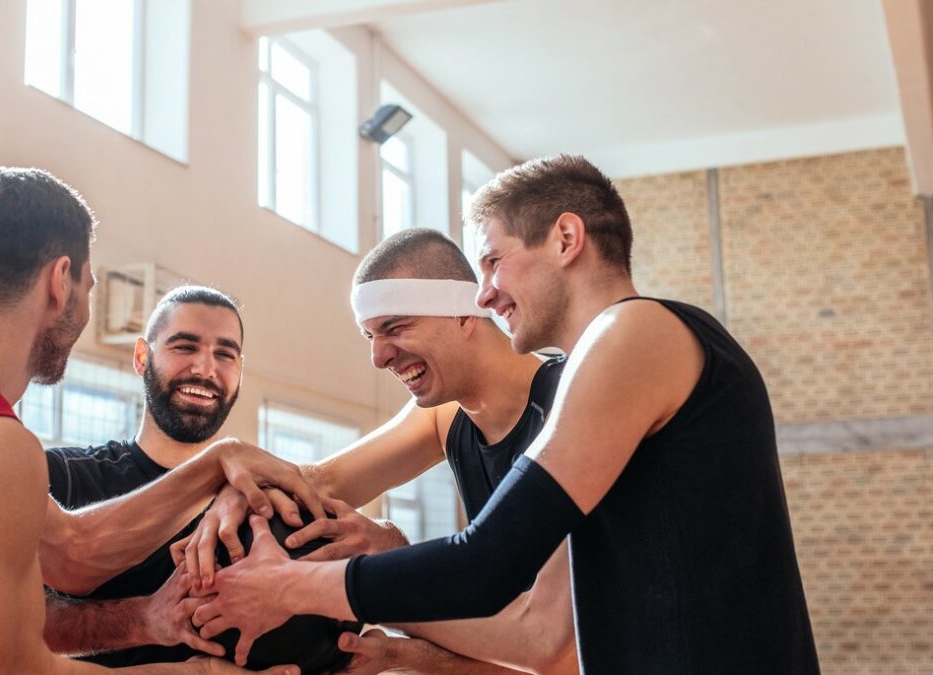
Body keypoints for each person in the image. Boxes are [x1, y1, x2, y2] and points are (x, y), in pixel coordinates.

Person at [190, 154, 821, 674]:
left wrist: (285, 587)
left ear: (566, 239)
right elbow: (323, 483)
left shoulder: (637, 331)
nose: (486, 291)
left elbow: (494, 573)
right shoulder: (595, 365)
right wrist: (234, 486)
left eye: (493, 261)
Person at [0, 166, 313, 675]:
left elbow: (71, 553)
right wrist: (198, 673)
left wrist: (217, 461)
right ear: (60, 281)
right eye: (89, 286)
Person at [181, 229, 578, 673]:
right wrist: (242, 490)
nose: (378, 357)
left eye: (395, 327)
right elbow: (322, 481)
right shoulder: (446, 416)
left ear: (465, 315)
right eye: (369, 335)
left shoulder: (575, 406)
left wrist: (338, 580)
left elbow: (556, 650)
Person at [43, 285, 297, 665]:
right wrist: (141, 617)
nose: (205, 369)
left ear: (239, 371)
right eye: (185, 347)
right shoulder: (62, 479)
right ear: (143, 357)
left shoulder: (262, 501)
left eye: (224, 354)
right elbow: (11, 621)